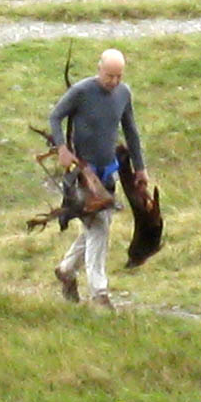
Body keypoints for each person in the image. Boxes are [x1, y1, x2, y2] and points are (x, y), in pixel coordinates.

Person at [48, 48, 149, 310]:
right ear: (99, 68)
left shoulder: (124, 94)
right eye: (109, 76)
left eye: (118, 76)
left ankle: (67, 269)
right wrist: (62, 148)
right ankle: (99, 293)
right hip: (81, 176)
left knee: (96, 227)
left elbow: (131, 131)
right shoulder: (81, 92)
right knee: (99, 228)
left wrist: (140, 168)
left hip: (107, 174)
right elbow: (55, 116)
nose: (113, 81)